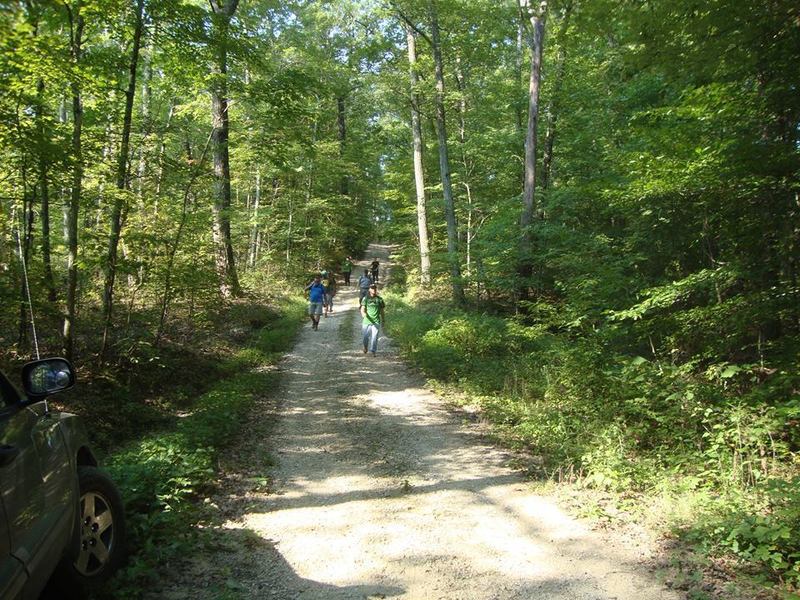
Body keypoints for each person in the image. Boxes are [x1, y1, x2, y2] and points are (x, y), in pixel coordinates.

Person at [360, 283, 385, 355]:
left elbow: (382, 311)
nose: (373, 290)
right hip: (366, 321)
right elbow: (362, 309)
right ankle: (365, 347)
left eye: (374, 288)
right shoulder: (366, 299)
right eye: (372, 288)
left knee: (374, 337)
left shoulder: (379, 299)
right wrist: (363, 314)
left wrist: (383, 320)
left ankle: (373, 351)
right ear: (369, 289)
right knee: (365, 337)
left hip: (376, 321)